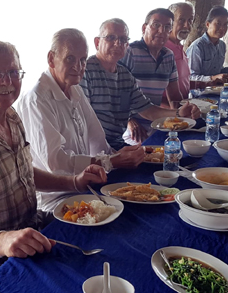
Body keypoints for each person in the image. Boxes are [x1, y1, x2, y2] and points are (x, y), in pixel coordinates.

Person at [0, 39, 107, 293]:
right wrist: (2, 240)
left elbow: (24, 173)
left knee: (99, 243)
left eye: (14, 72)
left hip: (30, 226)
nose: (7, 81)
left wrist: (74, 182)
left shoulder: (11, 116)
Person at [15, 28, 146, 212]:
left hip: (87, 188)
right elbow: (55, 163)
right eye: (70, 58)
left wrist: (125, 154)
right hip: (55, 202)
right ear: (51, 59)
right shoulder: (37, 100)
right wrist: (111, 161)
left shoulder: (74, 89)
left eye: (83, 60)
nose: (78, 66)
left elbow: (97, 141)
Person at [80, 18, 201, 150]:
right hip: (93, 151)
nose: (117, 43)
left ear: (127, 45)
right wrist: (109, 159)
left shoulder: (125, 76)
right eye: (110, 37)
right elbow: (81, 124)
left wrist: (178, 113)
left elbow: (148, 110)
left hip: (116, 146)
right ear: (97, 42)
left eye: (123, 39)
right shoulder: (86, 71)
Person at [120, 8, 185, 110]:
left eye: (167, 27)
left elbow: (174, 96)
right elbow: (119, 93)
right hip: (131, 120)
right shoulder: (130, 52)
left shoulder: (168, 56)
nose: (161, 31)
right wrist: (129, 121)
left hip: (156, 120)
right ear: (144, 28)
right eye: (156, 25)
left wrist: (182, 114)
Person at [187, 6, 228, 84]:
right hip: (199, 93)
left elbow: (218, 71)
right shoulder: (197, 47)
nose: (222, 28)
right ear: (208, 24)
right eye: (218, 24)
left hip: (216, 89)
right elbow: (190, 77)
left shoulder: (222, 45)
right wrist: (212, 78)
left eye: (225, 24)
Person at [163, 2, 194, 108]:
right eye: (181, 20)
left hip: (182, 109)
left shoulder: (181, 49)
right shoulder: (162, 50)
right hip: (166, 115)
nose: (187, 25)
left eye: (190, 20)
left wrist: (207, 84)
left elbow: (183, 83)